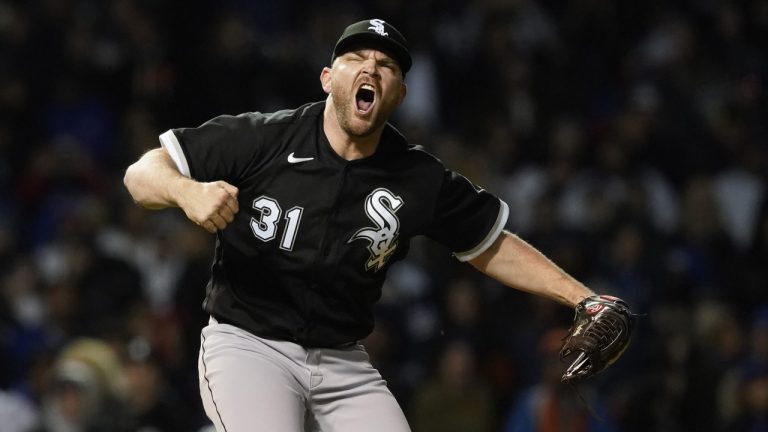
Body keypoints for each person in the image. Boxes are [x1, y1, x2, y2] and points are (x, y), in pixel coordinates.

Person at [123, 18, 603, 432]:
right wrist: (189, 192)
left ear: (400, 94)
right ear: (328, 77)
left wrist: (582, 297)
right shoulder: (264, 137)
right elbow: (140, 173)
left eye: (387, 65)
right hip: (249, 345)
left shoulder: (417, 177)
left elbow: (490, 244)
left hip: (342, 360)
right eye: (357, 57)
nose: (372, 68)